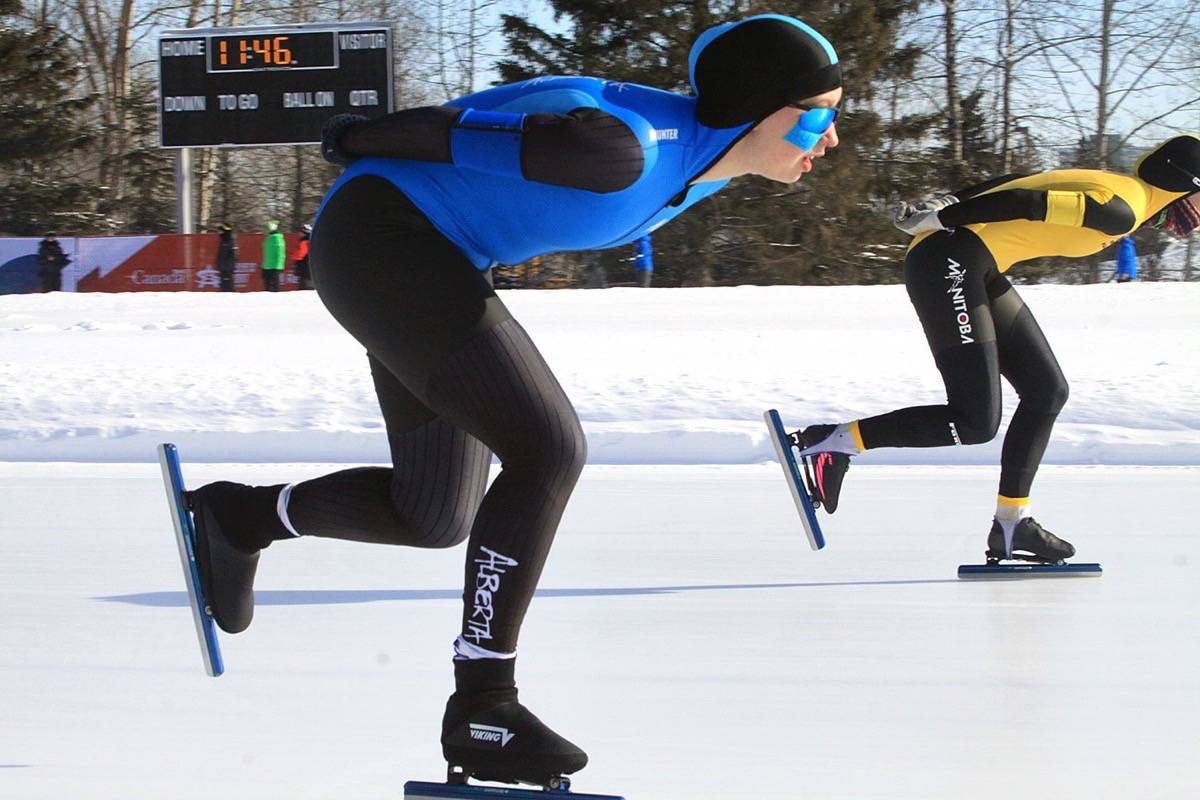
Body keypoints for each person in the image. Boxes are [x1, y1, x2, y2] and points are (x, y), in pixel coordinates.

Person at [183, 14, 842, 788]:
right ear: (761, 108)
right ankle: (485, 707)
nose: (830, 140)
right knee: (550, 448)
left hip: (436, 257)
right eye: (820, 116)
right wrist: (357, 136)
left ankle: (239, 518)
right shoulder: (621, 150)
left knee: (431, 513)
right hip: (383, 240)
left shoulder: (711, 161)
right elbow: (453, 132)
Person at [792, 133, 1200, 566]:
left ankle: (1012, 525)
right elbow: (1024, 201)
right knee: (974, 421)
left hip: (972, 261)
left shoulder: (1119, 188)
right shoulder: (1121, 210)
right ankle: (833, 442)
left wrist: (950, 201)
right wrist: (945, 216)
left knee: (1047, 391)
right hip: (951, 258)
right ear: (1185, 185)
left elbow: (1024, 181)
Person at [261, 220, 286, 291]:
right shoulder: (269, 238)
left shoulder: (277, 238)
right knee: (267, 289)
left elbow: (280, 253)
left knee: (274, 289)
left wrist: (278, 266)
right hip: (267, 266)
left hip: (274, 266)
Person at [216, 224, 238, 292]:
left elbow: (226, 256)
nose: (219, 233)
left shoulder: (228, 242)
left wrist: (222, 266)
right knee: (225, 287)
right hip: (224, 269)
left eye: (221, 231)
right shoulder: (225, 241)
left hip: (226, 269)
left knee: (227, 288)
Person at [291, 223, 313, 289]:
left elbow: (300, 255)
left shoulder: (304, 242)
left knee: (304, 288)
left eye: (301, 232)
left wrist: (293, 255)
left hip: (305, 270)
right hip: (309, 269)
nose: (299, 234)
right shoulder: (311, 241)